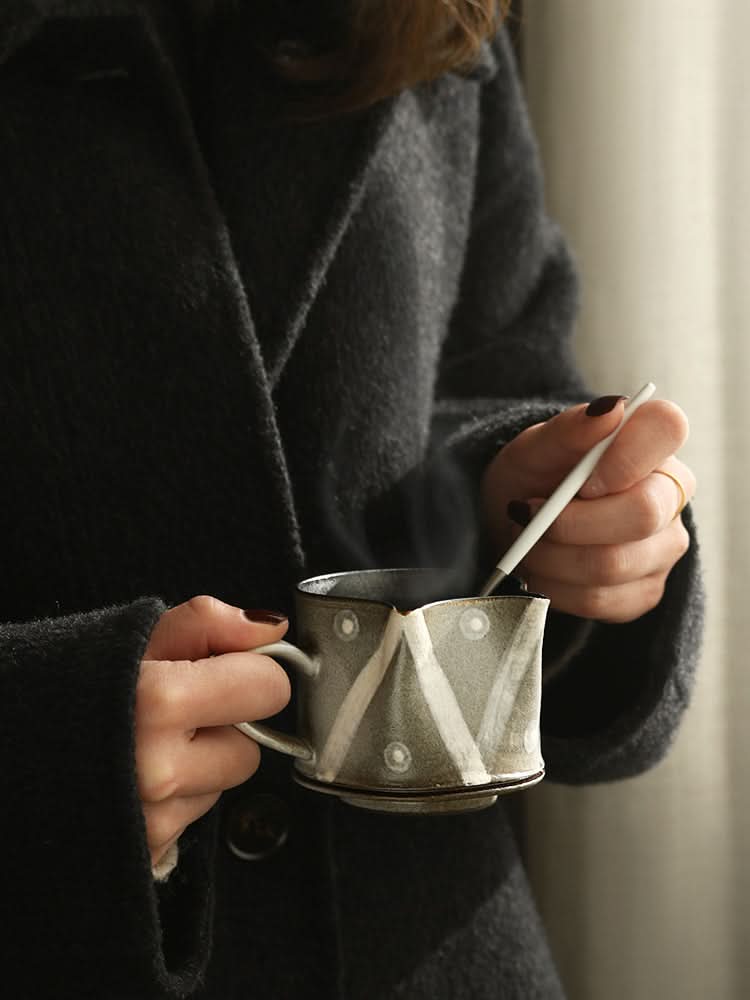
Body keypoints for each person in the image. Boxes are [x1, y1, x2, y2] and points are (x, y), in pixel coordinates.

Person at [0, 1, 702, 998]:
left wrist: (535, 505)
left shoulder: (427, 18)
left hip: (433, 948)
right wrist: (42, 757)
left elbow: (488, 367)